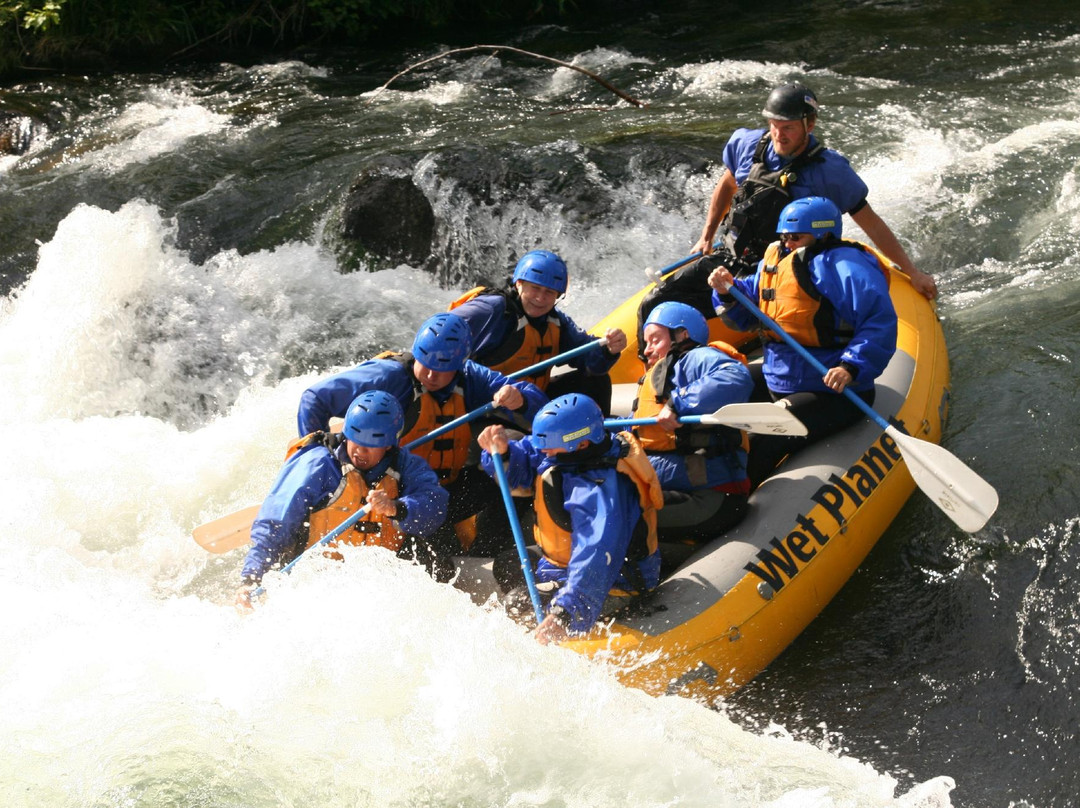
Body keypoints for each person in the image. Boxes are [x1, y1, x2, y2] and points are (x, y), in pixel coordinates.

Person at [639, 82, 934, 341]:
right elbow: (727, 184)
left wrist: (912, 272)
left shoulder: (830, 171)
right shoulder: (747, 145)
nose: (779, 135)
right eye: (774, 125)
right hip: (732, 258)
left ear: (810, 124)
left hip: (785, 272)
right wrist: (706, 235)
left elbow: (870, 222)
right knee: (654, 303)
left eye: (788, 127)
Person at [296, 312, 549, 570]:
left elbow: (543, 411)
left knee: (514, 475)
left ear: (459, 365)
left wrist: (520, 398)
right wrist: (317, 461)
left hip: (438, 493)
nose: (430, 375)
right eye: (424, 363)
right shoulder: (388, 377)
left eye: (441, 370)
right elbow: (314, 399)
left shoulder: (470, 377)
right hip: (394, 496)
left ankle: (487, 556)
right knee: (441, 565)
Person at [707, 196, 898, 489]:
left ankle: (733, 500)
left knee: (761, 437)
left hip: (832, 390)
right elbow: (749, 310)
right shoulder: (777, 260)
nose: (787, 243)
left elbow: (879, 321)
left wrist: (850, 366)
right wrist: (727, 290)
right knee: (715, 392)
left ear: (823, 235)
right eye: (784, 237)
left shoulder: (845, 266)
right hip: (779, 376)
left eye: (796, 237)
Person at [476, 393, 664, 645]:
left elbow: (596, 554)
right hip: (564, 564)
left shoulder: (599, 492)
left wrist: (564, 612)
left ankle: (554, 636)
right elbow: (530, 453)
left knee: (517, 603)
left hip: (615, 581)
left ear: (582, 444)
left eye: (549, 446)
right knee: (507, 563)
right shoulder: (566, 451)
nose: (544, 450)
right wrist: (503, 451)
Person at [236, 390, 450, 604]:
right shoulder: (318, 465)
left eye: (370, 447)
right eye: (355, 441)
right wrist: (251, 579)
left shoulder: (406, 466)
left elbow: (435, 505)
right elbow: (276, 524)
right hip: (314, 583)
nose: (359, 452)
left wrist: (397, 508)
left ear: (388, 445)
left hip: (379, 586)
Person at [449, 249, 628, 414]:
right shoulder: (491, 309)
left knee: (596, 380)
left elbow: (590, 359)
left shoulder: (556, 322)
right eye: (535, 288)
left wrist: (609, 349)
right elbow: (439, 334)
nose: (541, 298)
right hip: (488, 405)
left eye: (549, 292)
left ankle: (598, 435)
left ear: (558, 296)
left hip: (530, 404)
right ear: (519, 284)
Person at [634, 301, 755, 543]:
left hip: (712, 498)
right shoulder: (661, 375)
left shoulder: (693, 358)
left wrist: (676, 404)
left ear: (682, 335)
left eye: (655, 340)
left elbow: (735, 378)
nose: (647, 350)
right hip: (682, 488)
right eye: (646, 343)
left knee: (622, 517)